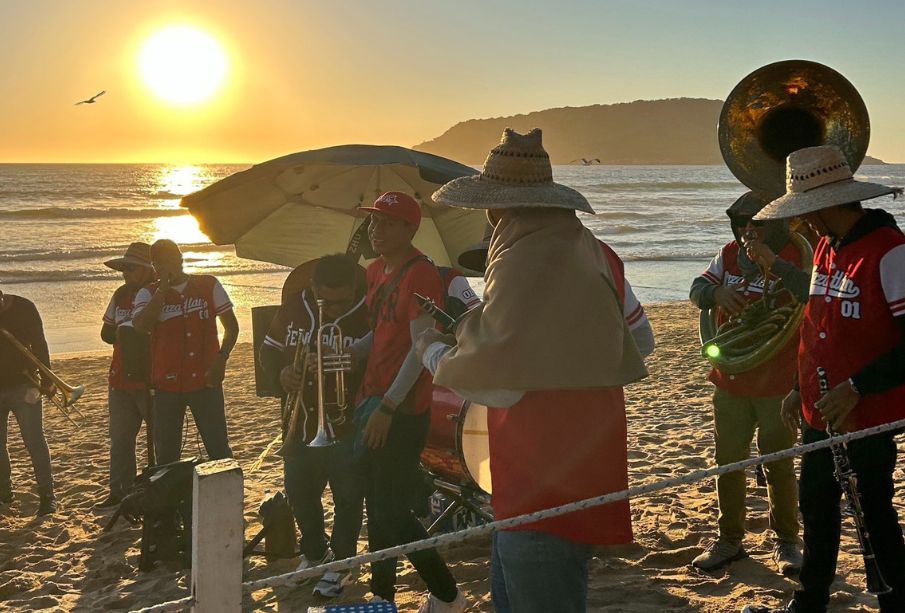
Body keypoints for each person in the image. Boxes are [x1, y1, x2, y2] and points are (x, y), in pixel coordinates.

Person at [420, 128, 649, 613]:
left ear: (499, 208)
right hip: (588, 462)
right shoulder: (597, 252)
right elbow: (640, 341)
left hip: (536, 474)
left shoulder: (520, 258)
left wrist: (430, 351)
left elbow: (496, 381)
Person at [743, 145, 905, 613]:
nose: (803, 223)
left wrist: (858, 387)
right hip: (821, 412)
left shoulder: (891, 253)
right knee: (815, 506)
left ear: (833, 203)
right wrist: (799, 387)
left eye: (808, 211)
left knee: (874, 514)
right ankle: (810, 598)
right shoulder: (826, 251)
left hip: (866, 414)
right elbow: (816, 330)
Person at [350, 191, 467, 612]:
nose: (375, 230)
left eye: (386, 222)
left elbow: (421, 348)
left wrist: (388, 408)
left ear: (409, 229)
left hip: (401, 409)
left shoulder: (421, 275)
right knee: (376, 505)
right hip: (372, 399)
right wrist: (347, 349)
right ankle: (383, 596)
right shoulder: (375, 271)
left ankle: (449, 594)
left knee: (391, 511)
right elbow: (381, 333)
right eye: (373, 222)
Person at [688, 191, 809, 574]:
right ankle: (729, 540)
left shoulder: (799, 254)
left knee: (778, 462)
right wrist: (717, 291)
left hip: (778, 380)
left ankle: (787, 541)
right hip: (732, 378)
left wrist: (773, 264)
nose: (747, 231)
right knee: (729, 462)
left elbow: (813, 295)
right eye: (741, 224)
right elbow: (697, 290)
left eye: (756, 224)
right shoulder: (727, 255)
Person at [259, 254, 369, 598]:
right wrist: (281, 374)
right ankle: (316, 553)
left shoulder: (369, 311)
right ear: (314, 287)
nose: (335, 310)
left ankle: (343, 563)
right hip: (301, 424)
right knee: (300, 495)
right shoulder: (295, 307)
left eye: (344, 301)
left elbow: (382, 364)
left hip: (348, 424)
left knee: (348, 498)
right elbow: (268, 351)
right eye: (328, 301)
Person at [132, 239, 237, 464]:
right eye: (158, 264)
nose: (164, 267)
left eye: (169, 260)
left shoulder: (208, 285)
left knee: (218, 447)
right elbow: (141, 326)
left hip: (206, 381)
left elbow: (232, 327)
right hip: (167, 386)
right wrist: (162, 291)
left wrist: (222, 359)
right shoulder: (147, 293)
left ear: (180, 260)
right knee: (167, 454)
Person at [95, 242, 156, 509]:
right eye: (123, 268)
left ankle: (157, 488)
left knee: (159, 439)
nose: (125, 273)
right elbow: (106, 333)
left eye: (130, 268)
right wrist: (124, 329)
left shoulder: (156, 294)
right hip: (120, 377)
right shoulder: (120, 295)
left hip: (151, 378)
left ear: (147, 270)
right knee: (120, 439)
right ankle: (120, 491)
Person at [0, 288, 57, 515]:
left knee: (34, 441)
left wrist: (48, 379)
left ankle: (47, 496)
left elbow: (40, 344)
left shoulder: (24, 307)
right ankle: (4, 494)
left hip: (25, 385)